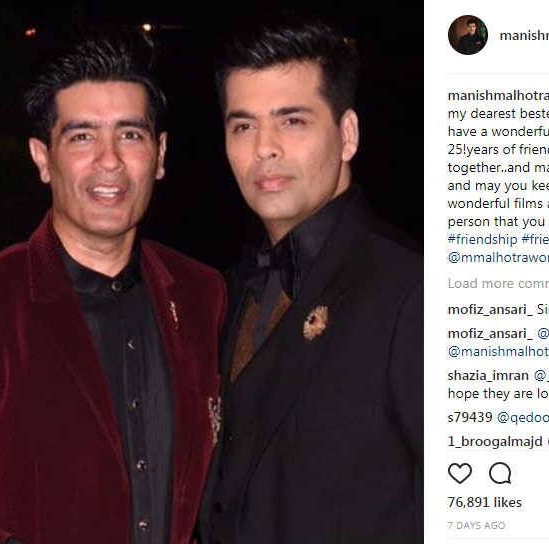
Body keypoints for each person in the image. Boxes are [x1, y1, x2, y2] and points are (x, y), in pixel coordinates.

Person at [0, 32, 226, 544]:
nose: (109, 160)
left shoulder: (200, 295)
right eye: (81, 137)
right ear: (42, 157)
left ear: (160, 154)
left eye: (130, 134)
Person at [201, 14, 423, 544]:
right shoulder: (226, 290)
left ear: (347, 135)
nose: (265, 147)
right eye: (243, 126)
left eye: (293, 121)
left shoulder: (412, 289)